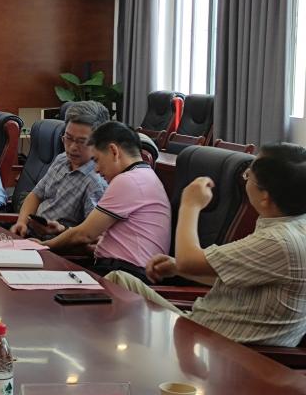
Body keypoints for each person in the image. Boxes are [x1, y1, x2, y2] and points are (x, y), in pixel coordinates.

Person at [107, 143, 306, 346]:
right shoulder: (294, 227)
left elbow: (188, 261)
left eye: (249, 175)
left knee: (112, 290)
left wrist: (190, 205)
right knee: (118, 281)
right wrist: (177, 268)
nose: (246, 178)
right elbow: (239, 276)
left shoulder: (278, 241)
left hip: (217, 347)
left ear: (265, 196)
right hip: (202, 331)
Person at [42, 121, 170, 281]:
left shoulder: (128, 180)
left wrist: (42, 246)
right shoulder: (143, 175)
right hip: (120, 270)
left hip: (126, 275)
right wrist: (63, 231)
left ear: (113, 151)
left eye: (96, 160)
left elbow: (84, 235)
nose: (96, 169)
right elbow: (97, 238)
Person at [10, 101, 110, 237]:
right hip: (31, 234)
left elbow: (90, 236)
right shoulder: (62, 159)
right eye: (68, 138)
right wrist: (21, 222)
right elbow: (35, 195)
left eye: (82, 142)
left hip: (58, 244)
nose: (72, 147)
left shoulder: (96, 182)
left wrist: (61, 230)